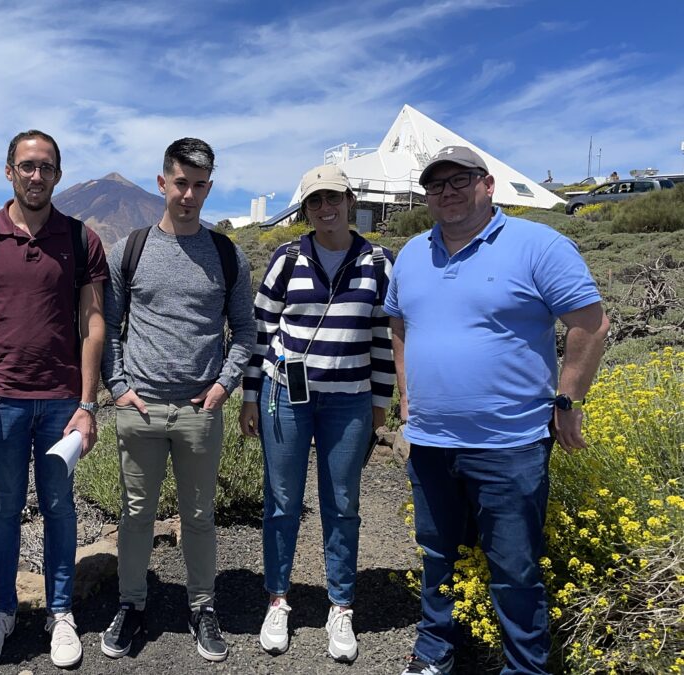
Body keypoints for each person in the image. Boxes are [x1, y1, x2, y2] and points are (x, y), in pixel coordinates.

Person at [386, 146, 609, 675]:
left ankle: (524, 667)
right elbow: (398, 325)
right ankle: (435, 653)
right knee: (438, 555)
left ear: (488, 184)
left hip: (510, 444)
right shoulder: (414, 253)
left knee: (513, 567)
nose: (447, 192)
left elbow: (591, 324)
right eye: (436, 185)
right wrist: (406, 392)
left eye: (458, 180)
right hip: (433, 440)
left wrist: (569, 399)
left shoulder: (538, 245)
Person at [0, 130, 108, 669]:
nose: (36, 176)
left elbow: (93, 322)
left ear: (58, 174)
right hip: (3, 400)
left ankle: (60, 611)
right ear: (9, 170)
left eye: (46, 167)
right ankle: (2, 610)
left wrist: (88, 404)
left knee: (60, 507)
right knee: (4, 508)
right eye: (26, 166)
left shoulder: (81, 239)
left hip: (62, 400)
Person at [100, 138, 255, 663]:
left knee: (199, 515)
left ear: (209, 188)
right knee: (135, 514)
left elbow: (246, 332)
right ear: (162, 183)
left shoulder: (227, 255)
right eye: (180, 183)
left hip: (199, 411)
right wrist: (118, 387)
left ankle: (203, 607)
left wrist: (222, 388)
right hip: (139, 408)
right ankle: (131, 604)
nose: (188, 194)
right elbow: (110, 328)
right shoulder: (130, 249)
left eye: (199, 185)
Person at [240, 164, 395, 662]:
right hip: (284, 396)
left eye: (333, 198)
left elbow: (383, 338)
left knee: (343, 502)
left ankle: (341, 605)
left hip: (349, 400)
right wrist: (249, 396)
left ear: (350, 201)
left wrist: (380, 404)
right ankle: (278, 599)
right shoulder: (286, 259)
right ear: (305, 208)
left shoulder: (378, 261)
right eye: (314, 202)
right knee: (282, 500)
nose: (325, 209)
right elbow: (261, 331)